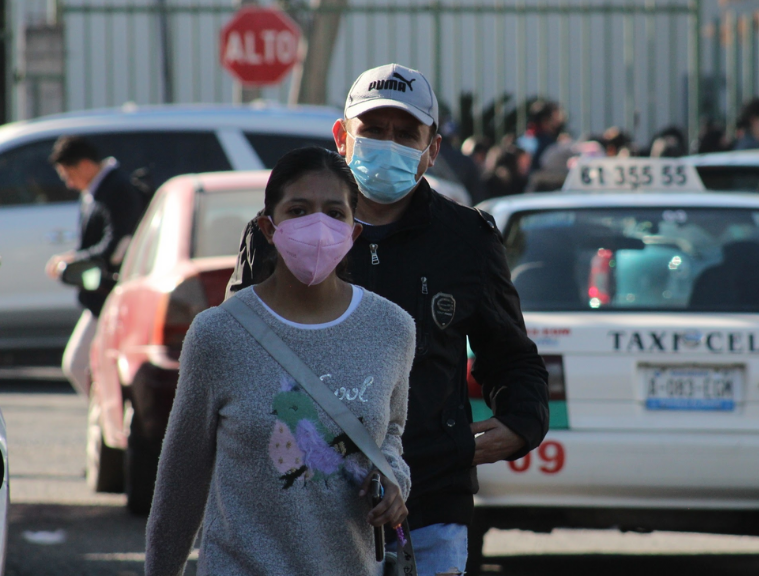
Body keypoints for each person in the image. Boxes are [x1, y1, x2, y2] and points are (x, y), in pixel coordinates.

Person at [226, 63, 550, 576]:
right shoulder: (281, 231)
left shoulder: (466, 239)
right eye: (373, 131)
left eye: (405, 134)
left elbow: (511, 356)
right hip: (304, 502)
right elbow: (237, 353)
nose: (388, 144)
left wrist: (524, 420)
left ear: (432, 149)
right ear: (342, 137)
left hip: (430, 506)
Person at [145, 147, 416, 575]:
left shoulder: (392, 329)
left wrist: (396, 480)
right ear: (268, 228)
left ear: (354, 232)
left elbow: (391, 433)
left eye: (334, 212)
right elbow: (182, 479)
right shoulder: (217, 334)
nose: (318, 226)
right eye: (299, 210)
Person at [44, 136, 146, 395]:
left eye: (69, 173)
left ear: (86, 164)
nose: (68, 182)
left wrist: (75, 260)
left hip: (112, 294)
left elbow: (115, 246)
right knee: (86, 365)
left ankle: (105, 422)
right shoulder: (98, 190)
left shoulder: (118, 189)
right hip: (101, 294)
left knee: (78, 363)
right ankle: (104, 420)